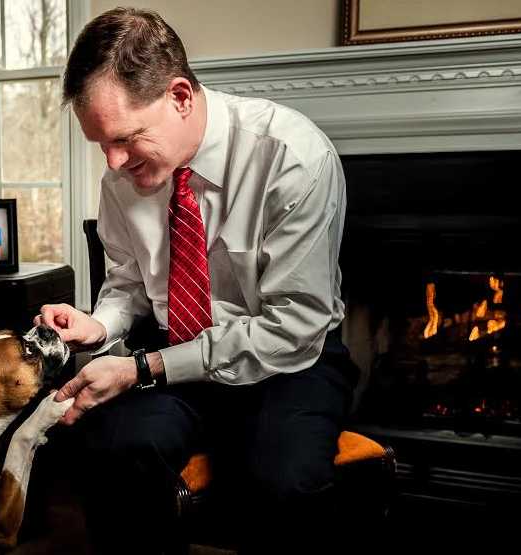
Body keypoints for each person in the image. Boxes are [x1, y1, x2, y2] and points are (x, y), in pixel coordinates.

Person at [35, 7, 356, 552]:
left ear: (180, 96)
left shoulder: (293, 159)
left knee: (282, 481)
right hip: (173, 353)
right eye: (100, 145)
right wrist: (97, 323)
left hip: (289, 362)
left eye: (125, 139)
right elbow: (128, 284)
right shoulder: (124, 175)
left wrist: (142, 369)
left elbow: (292, 326)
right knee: (108, 446)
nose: (112, 164)